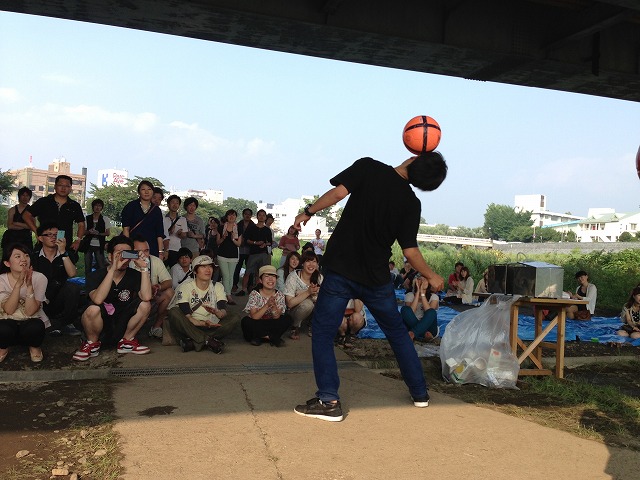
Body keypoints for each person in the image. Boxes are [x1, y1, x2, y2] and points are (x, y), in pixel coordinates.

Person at [292, 152, 447, 422]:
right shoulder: (411, 203)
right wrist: (431, 275)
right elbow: (410, 251)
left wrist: (308, 212)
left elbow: (338, 194)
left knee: (323, 333)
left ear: (412, 157)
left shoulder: (369, 167)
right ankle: (420, 393)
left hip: (341, 270)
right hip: (376, 279)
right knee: (397, 334)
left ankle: (329, 401)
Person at [72, 236, 152, 361]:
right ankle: (92, 344)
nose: (123, 258)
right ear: (110, 256)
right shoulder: (95, 276)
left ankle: (127, 341)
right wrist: (112, 269)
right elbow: (97, 299)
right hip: (101, 326)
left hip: (122, 323)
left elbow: (147, 297)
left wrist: (144, 268)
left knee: (145, 305)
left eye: (127, 253)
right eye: (119, 254)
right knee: (92, 309)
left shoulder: (135, 275)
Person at [167, 255, 235, 354]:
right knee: (174, 312)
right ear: (195, 271)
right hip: (190, 324)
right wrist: (200, 323)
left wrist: (219, 313)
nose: (208, 270)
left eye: (210, 266)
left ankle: (195, 341)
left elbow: (222, 308)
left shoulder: (218, 286)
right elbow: (186, 313)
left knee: (234, 317)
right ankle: (209, 340)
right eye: (203, 267)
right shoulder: (186, 286)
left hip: (212, 325)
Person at [0, 243, 48, 363]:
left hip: (29, 323)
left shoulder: (40, 278)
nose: (24, 259)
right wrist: (18, 285)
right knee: (3, 328)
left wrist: (29, 286)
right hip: (8, 322)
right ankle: (3, 348)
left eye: (26, 255)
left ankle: (35, 346)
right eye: (18, 256)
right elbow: (9, 310)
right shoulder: (1, 280)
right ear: (7, 263)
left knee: (36, 326)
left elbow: (30, 312)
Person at [31, 223, 81, 336]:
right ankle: (48, 323)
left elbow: (72, 273)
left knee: (73, 288)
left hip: (59, 296)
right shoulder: (34, 257)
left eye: (56, 235)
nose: (53, 237)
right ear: (40, 238)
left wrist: (63, 252)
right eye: (49, 234)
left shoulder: (66, 255)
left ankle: (65, 322)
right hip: (40, 298)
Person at [23, 175, 85, 253]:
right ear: (55, 186)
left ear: (70, 188)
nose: (63, 188)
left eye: (67, 186)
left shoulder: (74, 205)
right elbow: (26, 215)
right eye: (60, 185)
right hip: (44, 243)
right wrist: (36, 231)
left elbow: (81, 224)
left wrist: (78, 240)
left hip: (65, 244)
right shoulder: (44, 202)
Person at [130, 236, 174, 340]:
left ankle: (156, 326)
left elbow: (169, 281)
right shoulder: (127, 262)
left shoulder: (155, 261)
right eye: (139, 251)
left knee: (170, 292)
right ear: (131, 251)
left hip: (152, 297)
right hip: (133, 299)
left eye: (146, 251)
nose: (143, 254)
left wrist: (158, 286)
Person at [241, 265, 292, 347]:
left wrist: (274, 306)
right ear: (260, 280)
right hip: (257, 323)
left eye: (273, 276)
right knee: (246, 321)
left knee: (287, 319)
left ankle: (260, 337)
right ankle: (271, 337)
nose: (270, 279)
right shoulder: (254, 294)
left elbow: (276, 317)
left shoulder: (280, 295)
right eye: (267, 276)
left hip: (271, 323)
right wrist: (267, 305)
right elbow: (255, 317)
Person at [121, 180, 165, 259]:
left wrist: (160, 252)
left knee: (150, 266)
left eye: (149, 189)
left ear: (153, 192)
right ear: (139, 192)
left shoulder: (156, 210)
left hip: (151, 248)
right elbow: (126, 229)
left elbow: (159, 233)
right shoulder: (131, 206)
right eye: (143, 189)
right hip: (134, 247)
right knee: (133, 266)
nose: (146, 192)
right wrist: (128, 249)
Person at [283, 251, 322, 340]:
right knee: (308, 304)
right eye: (308, 261)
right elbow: (289, 304)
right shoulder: (293, 277)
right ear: (302, 263)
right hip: (294, 311)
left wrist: (303, 293)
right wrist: (308, 292)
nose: (311, 264)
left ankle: (314, 325)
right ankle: (295, 326)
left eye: (314, 261)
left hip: (314, 309)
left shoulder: (319, 277)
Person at [238, 209, 273, 294]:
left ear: (265, 217)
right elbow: (246, 240)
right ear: (257, 217)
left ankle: (258, 290)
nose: (261, 217)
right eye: (260, 215)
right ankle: (243, 289)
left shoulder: (267, 230)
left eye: (263, 215)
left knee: (260, 273)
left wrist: (265, 244)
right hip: (253, 253)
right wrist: (255, 243)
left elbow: (270, 242)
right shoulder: (251, 228)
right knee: (248, 272)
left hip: (264, 253)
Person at [401, 276, 439, 342]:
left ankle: (413, 333)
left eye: (424, 280)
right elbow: (411, 312)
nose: (422, 281)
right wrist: (418, 291)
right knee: (405, 309)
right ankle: (421, 334)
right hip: (413, 325)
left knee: (432, 312)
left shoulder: (434, 297)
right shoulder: (409, 295)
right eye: (419, 279)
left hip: (429, 327)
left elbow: (428, 313)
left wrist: (422, 293)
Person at [216, 209, 242, 305]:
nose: (231, 217)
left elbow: (239, 243)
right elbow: (217, 242)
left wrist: (233, 239)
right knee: (226, 275)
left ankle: (226, 294)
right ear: (226, 217)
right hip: (222, 255)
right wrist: (223, 237)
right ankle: (228, 296)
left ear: (236, 217)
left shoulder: (238, 228)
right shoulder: (221, 227)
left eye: (233, 215)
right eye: (230, 215)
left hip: (233, 255)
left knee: (231, 276)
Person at [84, 199, 112, 273]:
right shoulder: (87, 218)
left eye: (99, 206)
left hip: (99, 245)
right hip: (88, 244)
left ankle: (101, 279)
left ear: (102, 208)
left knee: (101, 265)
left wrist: (98, 233)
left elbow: (107, 233)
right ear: (93, 207)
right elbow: (83, 232)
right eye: (96, 205)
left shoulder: (105, 219)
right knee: (87, 266)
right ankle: (88, 279)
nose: (97, 207)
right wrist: (89, 232)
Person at [2, 186, 33, 252]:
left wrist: (16, 223)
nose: (25, 197)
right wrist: (25, 226)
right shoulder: (12, 210)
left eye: (27, 195)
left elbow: (32, 226)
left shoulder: (32, 210)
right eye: (23, 195)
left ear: (29, 197)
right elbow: (10, 226)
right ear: (19, 196)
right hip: (11, 238)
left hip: (26, 239)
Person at [162, 195, 188, 269]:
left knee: (175, 270)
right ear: (168, 205)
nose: (175, 205)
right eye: (172, 202)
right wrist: (168, 232)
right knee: (161, 270)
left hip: (176, 249)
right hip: (164, 249)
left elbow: (184, 235)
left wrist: (179, 234)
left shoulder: (182, 219)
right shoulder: (163, 218)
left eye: (177, 203)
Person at [232, 208, 254, 293]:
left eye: (249, 214)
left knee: (250, 268)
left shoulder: (253, 226)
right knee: (237, 268)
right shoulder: (238, 225)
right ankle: (235, 284)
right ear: (243, 215)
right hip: (239, 249)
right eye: (246, 214)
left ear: (251, 215)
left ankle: (250, 285)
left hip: (250, 250)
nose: (247, 215)